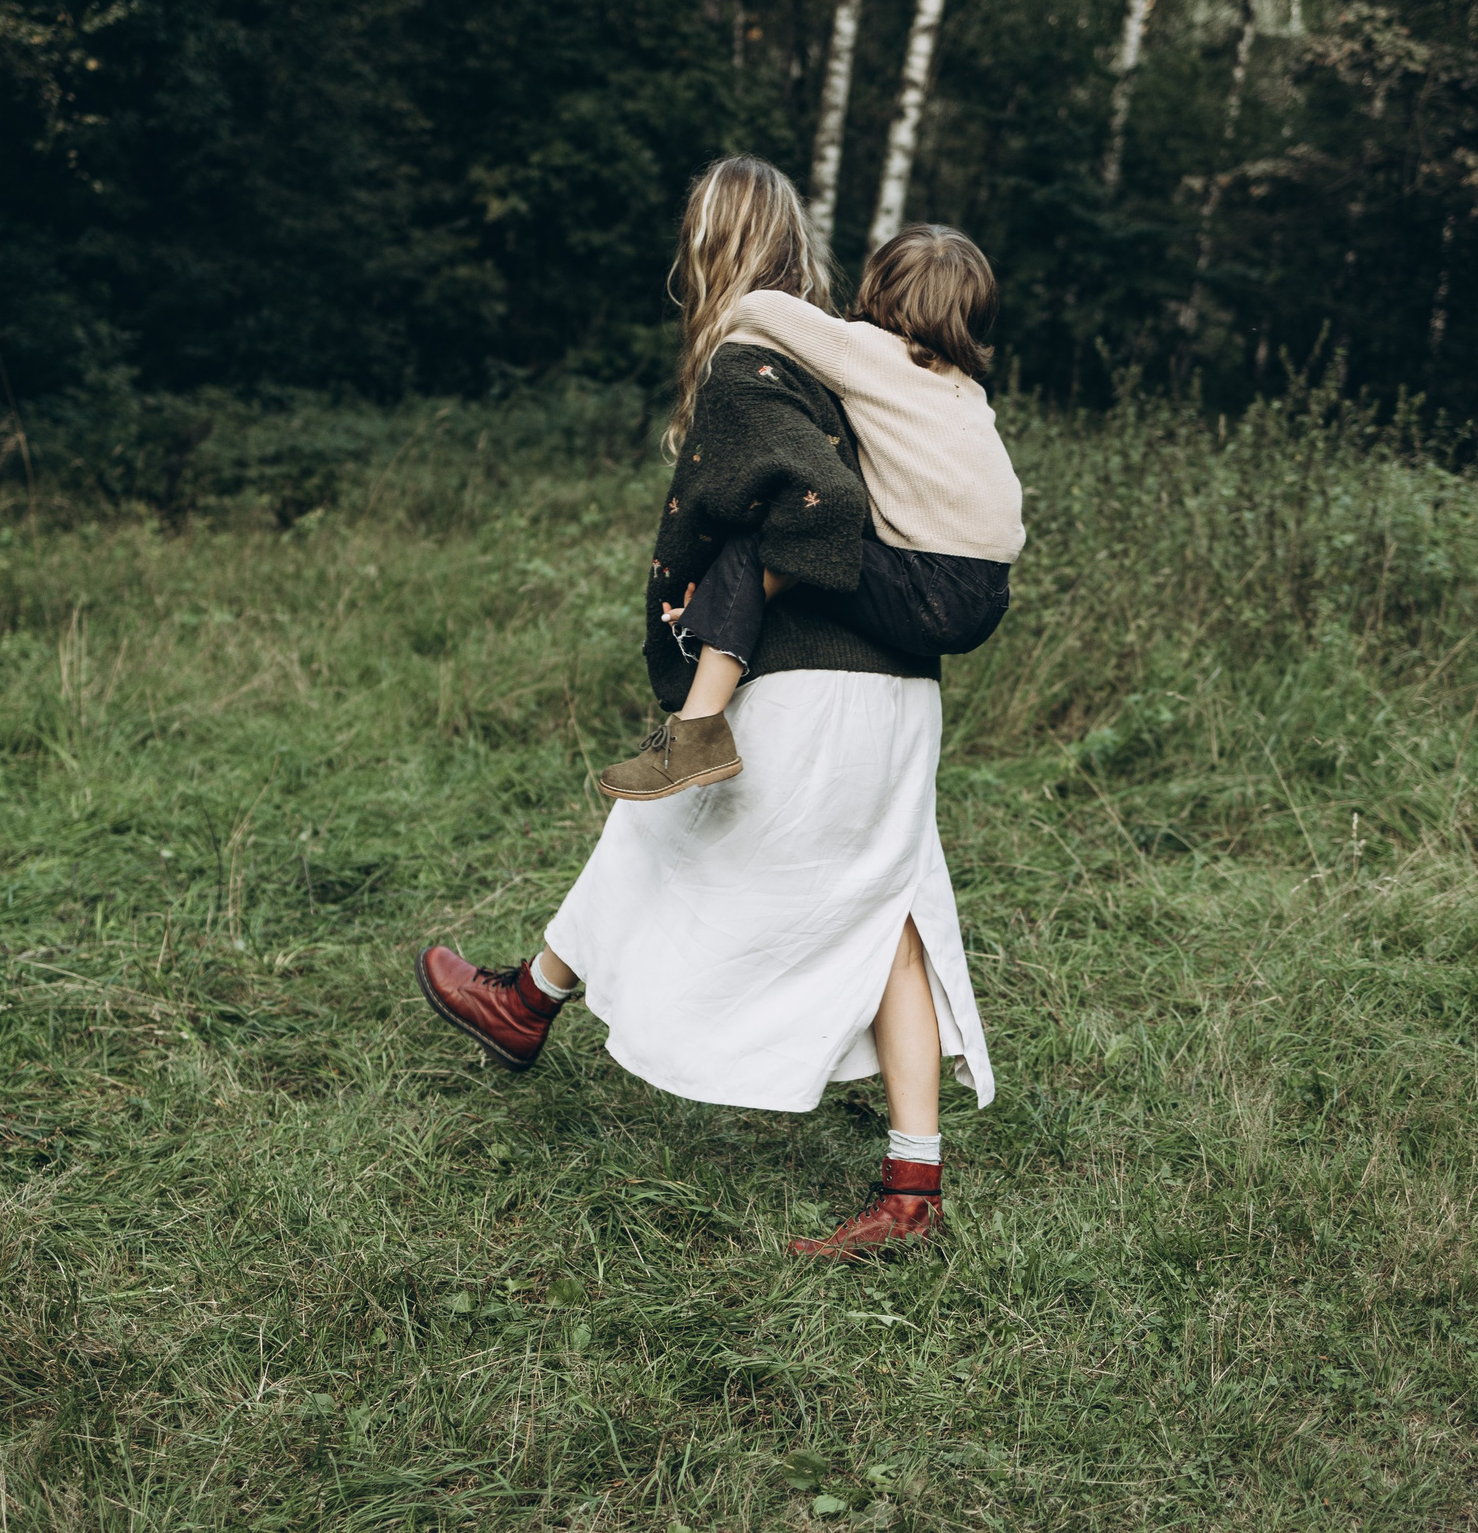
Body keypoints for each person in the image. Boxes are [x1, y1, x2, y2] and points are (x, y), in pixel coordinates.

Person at [415, 154, 995, 1258]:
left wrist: (735, 577)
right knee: (889, 911)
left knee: (666, 825)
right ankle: (910, 1186)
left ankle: (525, 1004)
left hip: (819, 687)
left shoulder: (755, 360)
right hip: (899, 690)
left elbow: (819, 503)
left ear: (707, 247)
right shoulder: (863, 359)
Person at [596, 223, 1025, 801]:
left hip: (928, 583)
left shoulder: (865, 352)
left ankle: (695, 735)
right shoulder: (963, 388)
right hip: (985, 594)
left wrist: (723, 296)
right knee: (798, 562)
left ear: (879, 288)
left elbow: (761, 308)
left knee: (769, 545)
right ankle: (717, 621)